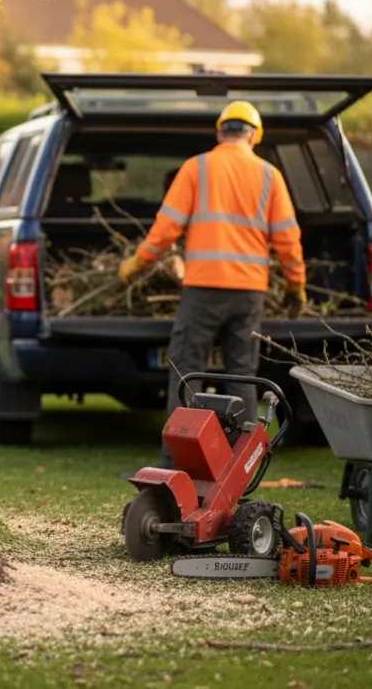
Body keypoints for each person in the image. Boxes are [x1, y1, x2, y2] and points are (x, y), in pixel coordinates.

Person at [118, 100, 306, 450]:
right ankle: (239, 464)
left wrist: (138, 262)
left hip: (202, 289)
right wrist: (296, 284)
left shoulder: (196, 168)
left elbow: (166, 228)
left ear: (220, 132)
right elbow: (288, 239)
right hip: (248, 293)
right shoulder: (270, 175)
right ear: (255, 136)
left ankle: (180, 457)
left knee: (187, 373)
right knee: (242, 378)